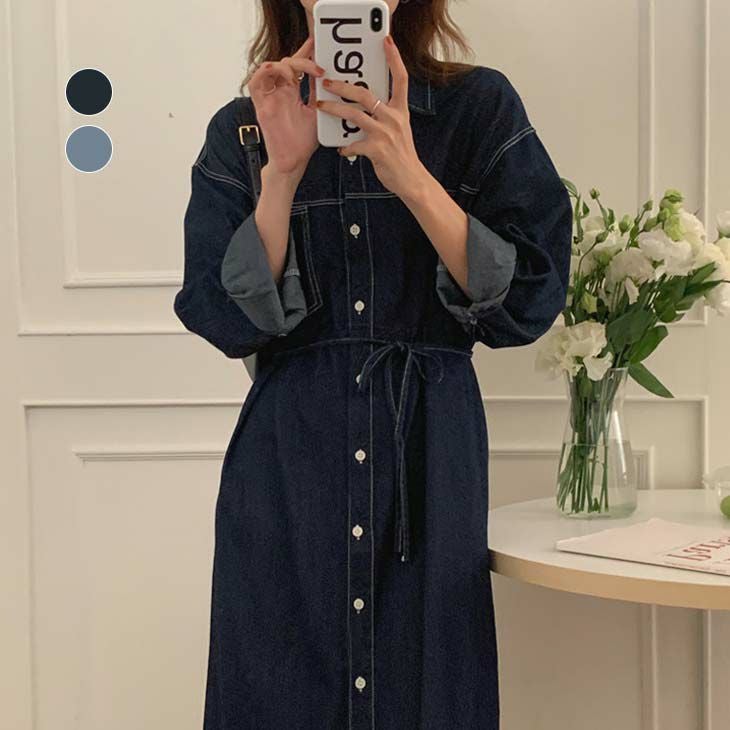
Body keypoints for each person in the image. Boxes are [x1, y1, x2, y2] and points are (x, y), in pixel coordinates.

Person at [173, 1, 572, 727]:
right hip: (289, 470)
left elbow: (531, 298)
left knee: (428, 690)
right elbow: (219, 315)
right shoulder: (245, 127)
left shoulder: (478, 110)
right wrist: (282, 174)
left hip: (430, 457)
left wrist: (410, 175)